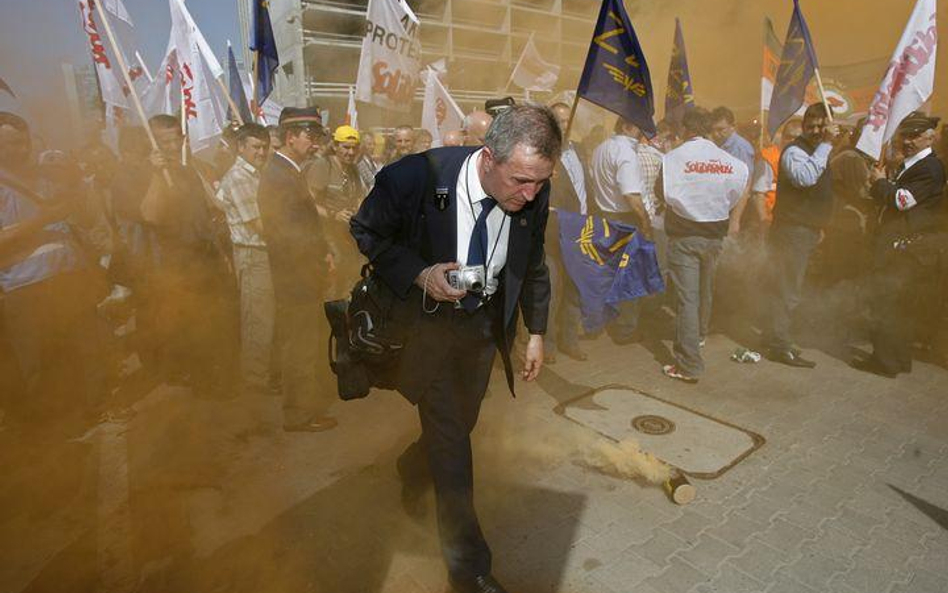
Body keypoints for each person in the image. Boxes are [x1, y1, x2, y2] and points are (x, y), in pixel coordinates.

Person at [350, 104, 558, 593]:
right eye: (521, 181)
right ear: (488, 158)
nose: (530, 196)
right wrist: (421, 274)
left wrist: (536, 333)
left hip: (484, 332)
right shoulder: (412, 179)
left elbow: (532, 263)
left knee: (460, 425)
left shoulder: (534, 189)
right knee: (453, 448)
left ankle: (409, 465)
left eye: (540, 183)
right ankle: (470, 570)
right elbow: (366, 232)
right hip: (429, 329)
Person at [0, 112, 105, 434]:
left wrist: (80, 197)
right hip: (26, 287)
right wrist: (43, 218)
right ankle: (49, 437)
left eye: (23, 141)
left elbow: (82, 219)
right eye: (10, 143)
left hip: (70, 278)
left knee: (82, 351)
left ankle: (92, 411)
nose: (20, 149)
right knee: (40, 362)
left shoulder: (48, 177)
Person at [257, 107, 337, 432]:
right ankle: (299, 414)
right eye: (310, 136)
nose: (315, 143)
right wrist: (317, 259)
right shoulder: (279, 175)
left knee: (304, 343)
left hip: (302, 272)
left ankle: (305, 407)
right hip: (296, 274)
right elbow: (288, 233)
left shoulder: (290, 172)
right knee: (299, 345)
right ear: (291, 137)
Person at [655, 108, 749, 382]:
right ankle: (699, 336)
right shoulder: (729, 161)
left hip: (684, 236)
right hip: (714, 236)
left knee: (688, 300)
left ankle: (688, 364)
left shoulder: (673, 158)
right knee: (705, 290)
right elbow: (740, 187)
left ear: (685, 129)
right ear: (708, 129)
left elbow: (661, 192)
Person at [853, 112, 946, 378]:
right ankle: (899, 359)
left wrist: (880, 182)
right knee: (900, 307)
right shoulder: (914, 164)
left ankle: (884, 362)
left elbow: (902, 201)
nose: (907, 141)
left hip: (903, 247)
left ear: (929, 138)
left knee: (888, 303)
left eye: (915, 136)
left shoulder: (928, 167)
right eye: (905, 135)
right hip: (903, 245)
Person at [762, 103, 839, 368]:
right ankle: (778, 345)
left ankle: (778, 337)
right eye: (811, 125)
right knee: (787, 288)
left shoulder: (819, 151)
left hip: (805, 230)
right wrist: (827, 144)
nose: (816, 131)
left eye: (822, 126)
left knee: (790, 287)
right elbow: (804, 179)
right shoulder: (795, 151)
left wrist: (819, 226)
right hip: (792, 231)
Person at [215, 123, 274, 394]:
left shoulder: (257, 174)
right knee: (257, 319)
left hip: (266, 253)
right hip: (253, 254)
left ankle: (264, 373)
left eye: (264, 147)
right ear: (241, 147)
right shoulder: (239, 177)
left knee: (267, 316)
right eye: (255, 147)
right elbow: (258, 224)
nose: (261, 152)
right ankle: (255, 380)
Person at [590, 117, 652, 343]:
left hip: (604, 217)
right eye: (638, 127)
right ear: (627, 126)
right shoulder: (625, 152)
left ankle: (598, 323)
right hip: (623, 219)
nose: (641, 133)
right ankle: (625, 329)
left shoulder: (600, 149)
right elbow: (631, 195)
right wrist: (645, 223)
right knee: (629, 276)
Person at [546, 102, 590, 361]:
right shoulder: (543, 153)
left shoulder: (580, 150)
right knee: (550, 291)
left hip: (581, 231)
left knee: (575, 289)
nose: (565, 126)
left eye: (568, 120)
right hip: (552, 234)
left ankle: (569, 340)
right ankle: (548, 345)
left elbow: (586, 189)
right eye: (560, 121)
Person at [307, 124, 371, 297]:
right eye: (346, 147)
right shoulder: (323, 165)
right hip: (326, 235)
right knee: (333, 280)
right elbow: (307, 202)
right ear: (335, 146)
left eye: (354, 148)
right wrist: (334, 214)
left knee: (352, 275)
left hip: (347, 235)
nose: (350, 152)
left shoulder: (353, 170)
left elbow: (359, 197)